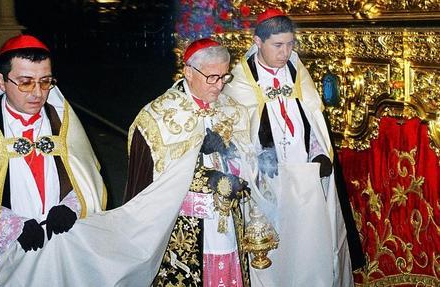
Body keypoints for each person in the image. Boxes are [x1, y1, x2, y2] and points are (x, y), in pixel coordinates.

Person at [0, 35, 106, 286]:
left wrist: (71, 207)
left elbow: (88, 180)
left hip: (60, 246)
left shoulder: (63, 122)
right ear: (0, 81)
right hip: (5, 254)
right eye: (25, 82)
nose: (37, 93)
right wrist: (11, 226)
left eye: (45, 82)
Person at [223, 8, 364, 287]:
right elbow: (236, 132)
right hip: (268, 177)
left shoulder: (297, 70)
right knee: (279, 243)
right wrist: (260, 158)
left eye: (290, 44)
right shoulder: (240, 79)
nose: (285, 52)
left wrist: (319, 153)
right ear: (258, 42)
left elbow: (312, 118)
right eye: (278, 45)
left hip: (304, 172)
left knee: (311, 237)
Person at [123, 38, 257, 286]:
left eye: (224, 77)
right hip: (182, 226)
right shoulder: (157, 117)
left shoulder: (232, 109)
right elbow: (154, 181)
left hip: (227, 221)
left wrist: (229, 152)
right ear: (188, 71)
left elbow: (250, 161)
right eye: (212, 77)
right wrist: (197, 156)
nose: (219, 86)